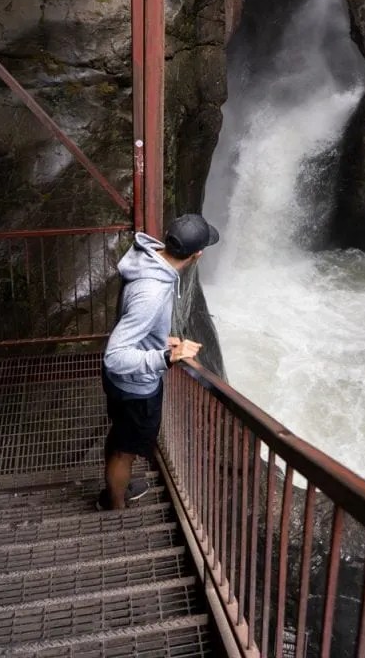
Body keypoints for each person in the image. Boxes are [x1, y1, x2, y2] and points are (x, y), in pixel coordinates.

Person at [98, 213, 219, 510]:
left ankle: (117, 485)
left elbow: (133, 319)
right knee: (124, 451)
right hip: (135, 388)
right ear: (197, 254)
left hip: (123, 383)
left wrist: (158, 339)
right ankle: (115, 504)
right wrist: (167, 355)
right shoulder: (152, 291)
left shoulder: (149, 261)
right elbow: (115, 356)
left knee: (120, 439)